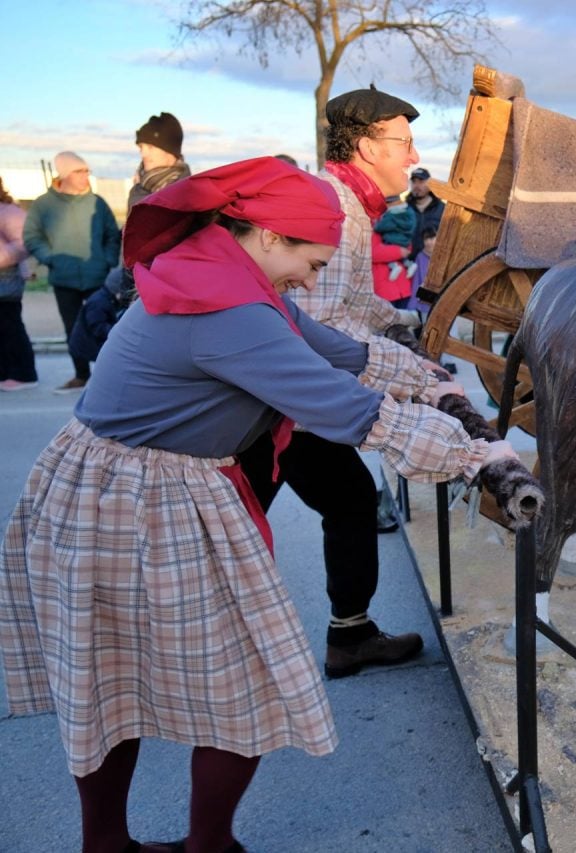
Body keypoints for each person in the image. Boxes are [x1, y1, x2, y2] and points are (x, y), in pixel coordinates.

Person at [0, 157, 516, 853]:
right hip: (139, 497)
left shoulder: (217, 274)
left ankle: (110, 843)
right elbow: (350, 409)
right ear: (270, 236)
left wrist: (425, 377)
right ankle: (204, 845)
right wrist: (476, 454)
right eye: (310, 260)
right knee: (247, 680)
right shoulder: (230, 310)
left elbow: (338, 350)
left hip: (113, 485)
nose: (310, 277)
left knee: (111, 681)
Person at [239, 85, 441, 679]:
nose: (412, 155)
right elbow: (319, 324)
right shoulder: (336, 206)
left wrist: (407, 322)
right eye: (403, 142)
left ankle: (348, 634)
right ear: (364, 143)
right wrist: (405, 370)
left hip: (290, 397)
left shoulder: (351, 203)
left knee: (329, 503)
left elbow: (351, 299)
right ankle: (192, 642)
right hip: (287, 400)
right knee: (241, 513)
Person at [22, 151, 121, 393]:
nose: (85, 175)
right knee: (72, 328)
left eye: (87, 170)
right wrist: (50, 258)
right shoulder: (44, 204)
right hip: (64, 278)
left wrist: (107, 259)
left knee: (105, 325)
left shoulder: (97, 202)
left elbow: (112, 234)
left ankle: (108, 375)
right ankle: (81, 375)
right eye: (79, 171)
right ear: (64, 174)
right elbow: (32, 236)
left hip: (97, 277)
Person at [0, 177, 38, 391]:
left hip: (5, 279)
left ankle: (24, 374)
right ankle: (6, 373)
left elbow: (24, 242)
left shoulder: (8, 212)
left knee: (10, 326)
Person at [128, 112, 191, 213]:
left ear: (170, 151)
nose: (143, 154)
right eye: (141, 147)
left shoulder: (191, 193)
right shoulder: (136, 192)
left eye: (150, 147)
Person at [372, 195, 418, 304]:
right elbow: (373, 253)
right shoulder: (373, 221)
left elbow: (408, 247)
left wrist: (401, 250)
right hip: (384, 289)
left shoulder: (390, 218)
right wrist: (399, 252)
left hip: (404, 288)